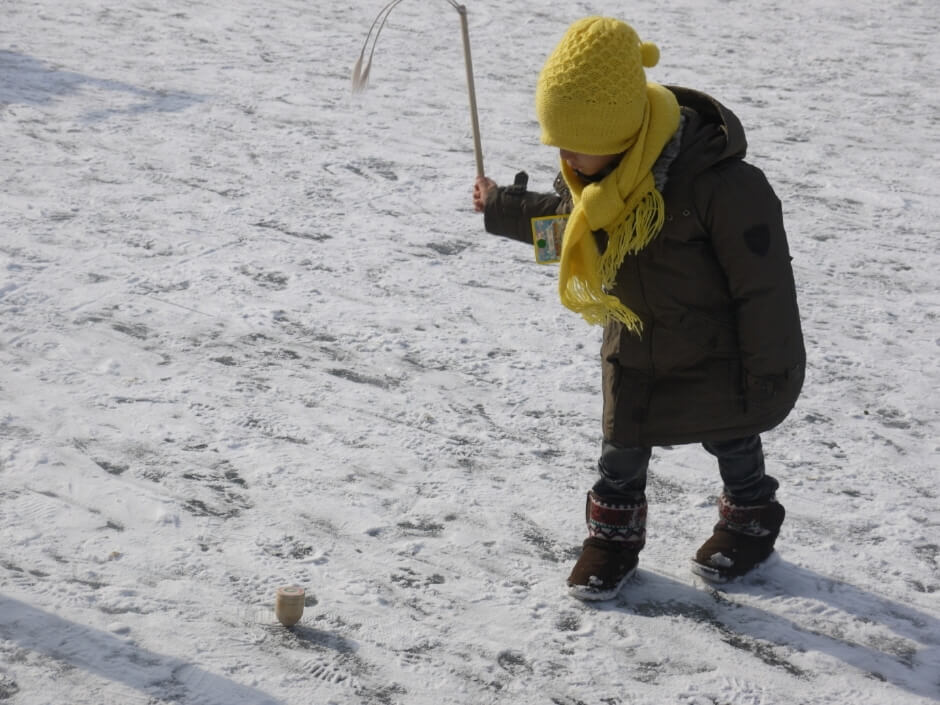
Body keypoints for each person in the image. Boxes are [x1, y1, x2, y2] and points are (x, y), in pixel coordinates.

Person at [473, 16, 805, 600]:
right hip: (634, 345)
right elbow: (572, 230)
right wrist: (501, 205)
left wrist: (769, 371)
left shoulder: (722, 187)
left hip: (717, 352)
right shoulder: (595, 181)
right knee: (621, 449)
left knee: (732, 438)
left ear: (621, 133)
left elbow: (766, 288)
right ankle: (612, 540)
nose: (565, 157)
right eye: (558, 143)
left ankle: (750, 516)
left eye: (576, 143)